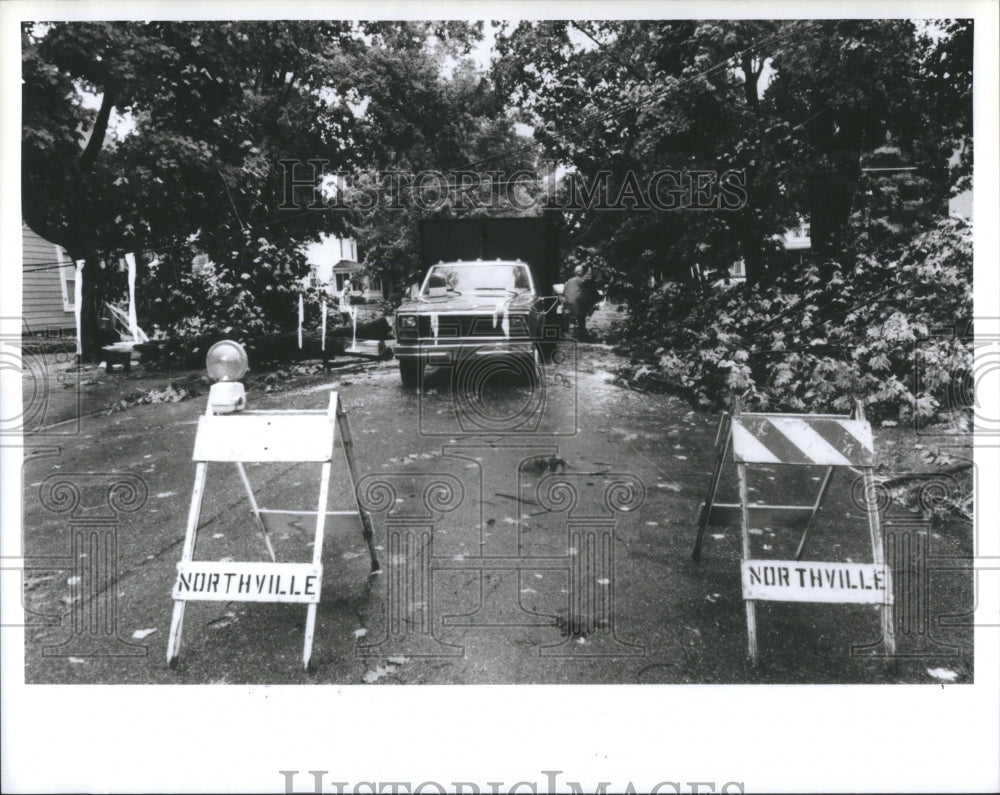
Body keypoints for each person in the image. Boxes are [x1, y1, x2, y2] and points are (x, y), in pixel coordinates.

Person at [562, 265, 591, 341]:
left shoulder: (569, 281)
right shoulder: (581, 281)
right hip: (578, 305)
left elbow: (564, 292)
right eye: (583, 271)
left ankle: (578, 333)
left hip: (569, 305)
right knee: (581, 319)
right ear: (580, 273)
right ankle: (582, 335)